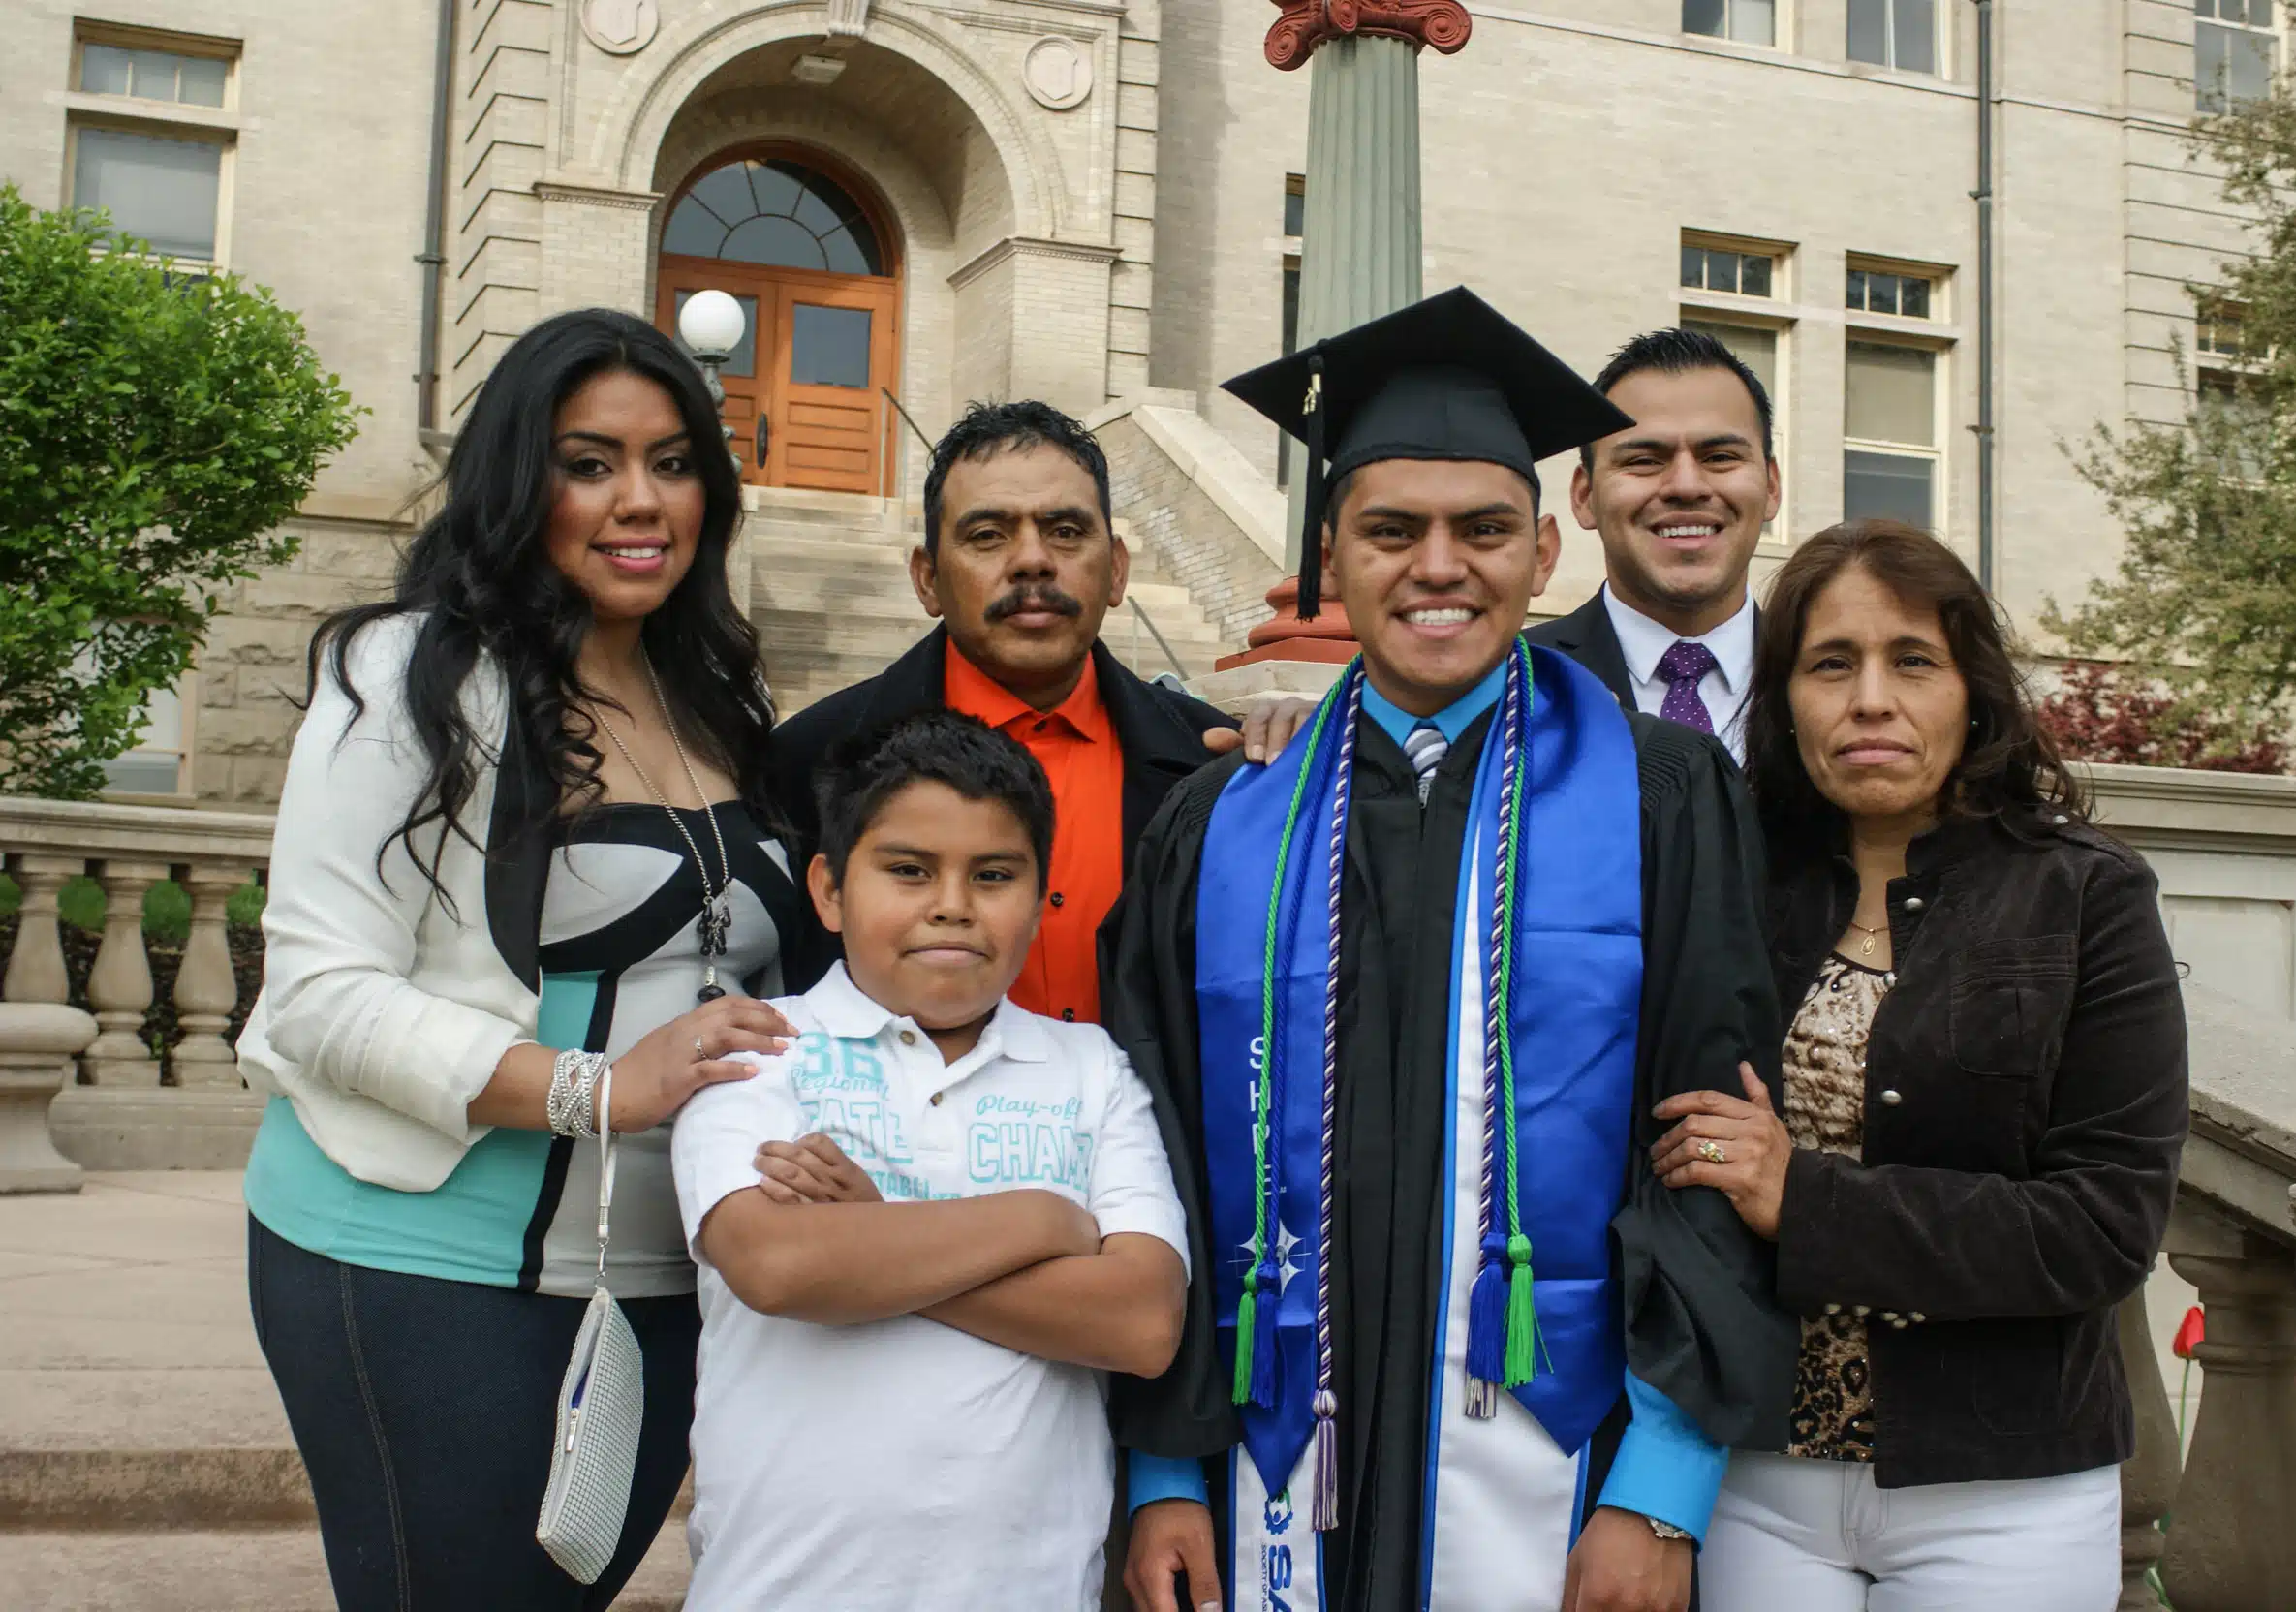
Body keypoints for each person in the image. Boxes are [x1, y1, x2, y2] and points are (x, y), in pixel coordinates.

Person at [1105, 287, 1795, 1612]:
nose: (1438, 567)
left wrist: (1662, 1484)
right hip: (1264, 1459)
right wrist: (1162, 1474)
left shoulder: (1662, 797)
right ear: (1331, 556)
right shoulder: (1222, 818)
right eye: (1391, 531)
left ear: (1543, 552)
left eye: (1483, 531)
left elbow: (1712, 1131)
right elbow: (1158, 1157)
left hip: (1570, 1455)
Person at [238, 308, 808, 1609]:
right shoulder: (413, 675)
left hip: (667, 1280)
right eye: (589, 460)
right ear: (517, 476)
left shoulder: (718, 693)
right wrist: (596, 1086)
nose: (640, 500)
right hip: (422, 1261)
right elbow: (319, 996)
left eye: (673, 461)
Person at [1649, 520, 2188, 1610]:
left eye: (1913, 660)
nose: (1870, 699)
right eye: (1829, 663)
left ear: (1972, 690)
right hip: (1752, 1476)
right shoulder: (1729, 879)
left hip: (2006, 1485)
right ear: (1785, 695)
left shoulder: (2084, 897)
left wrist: (1803, 1198)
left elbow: (2104, 1227)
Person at [673, 709, 1190, 1608]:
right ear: (830, 891)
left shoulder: (1091, 1070)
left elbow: (1141, 1323)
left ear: (1039, 896)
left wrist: (871, 1234)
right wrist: (1043, 1223)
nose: (952, 903)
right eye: (908, 871)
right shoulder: (759, 1048)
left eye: (993, 875)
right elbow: (779, 1265)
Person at [767, 400, 1304, 1030]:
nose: (1032, 561)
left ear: (1117, 571)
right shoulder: (809, 762)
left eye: (1067, 532)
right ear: (928, 580)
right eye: (987, 535)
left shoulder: (1211, 761)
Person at [1530, 328, 1782, 764]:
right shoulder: (1517, 685)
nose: (1686, 486)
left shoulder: (1823, 680)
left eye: (1720, 457)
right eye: (1644, 460)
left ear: (1772, 488)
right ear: (1584, 497)